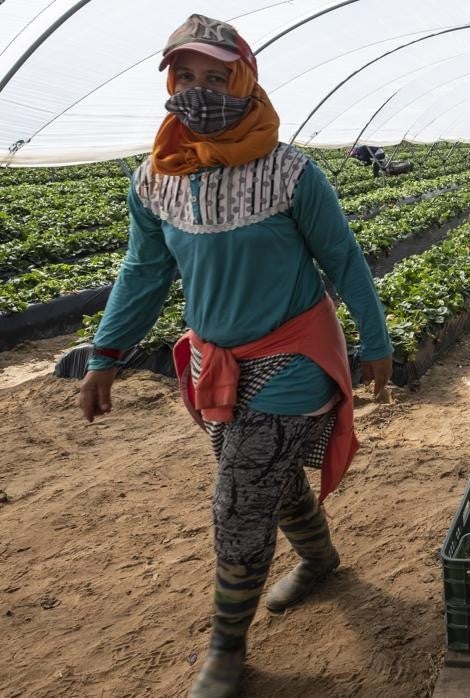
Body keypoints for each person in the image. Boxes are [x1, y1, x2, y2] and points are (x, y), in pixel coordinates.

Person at [75, 14, 393, 697]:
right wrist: (107, 353)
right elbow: (143, 270)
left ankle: (225, 648)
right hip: (214, 361)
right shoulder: (157, 177)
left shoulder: (289, 173)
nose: (197, 92)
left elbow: (343, 259)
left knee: (239, 502)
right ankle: (320, 560)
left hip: (292, 355)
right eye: (184, 77)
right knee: (267, 480)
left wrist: (375, 342)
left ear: (245, 80)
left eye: (215, 78)